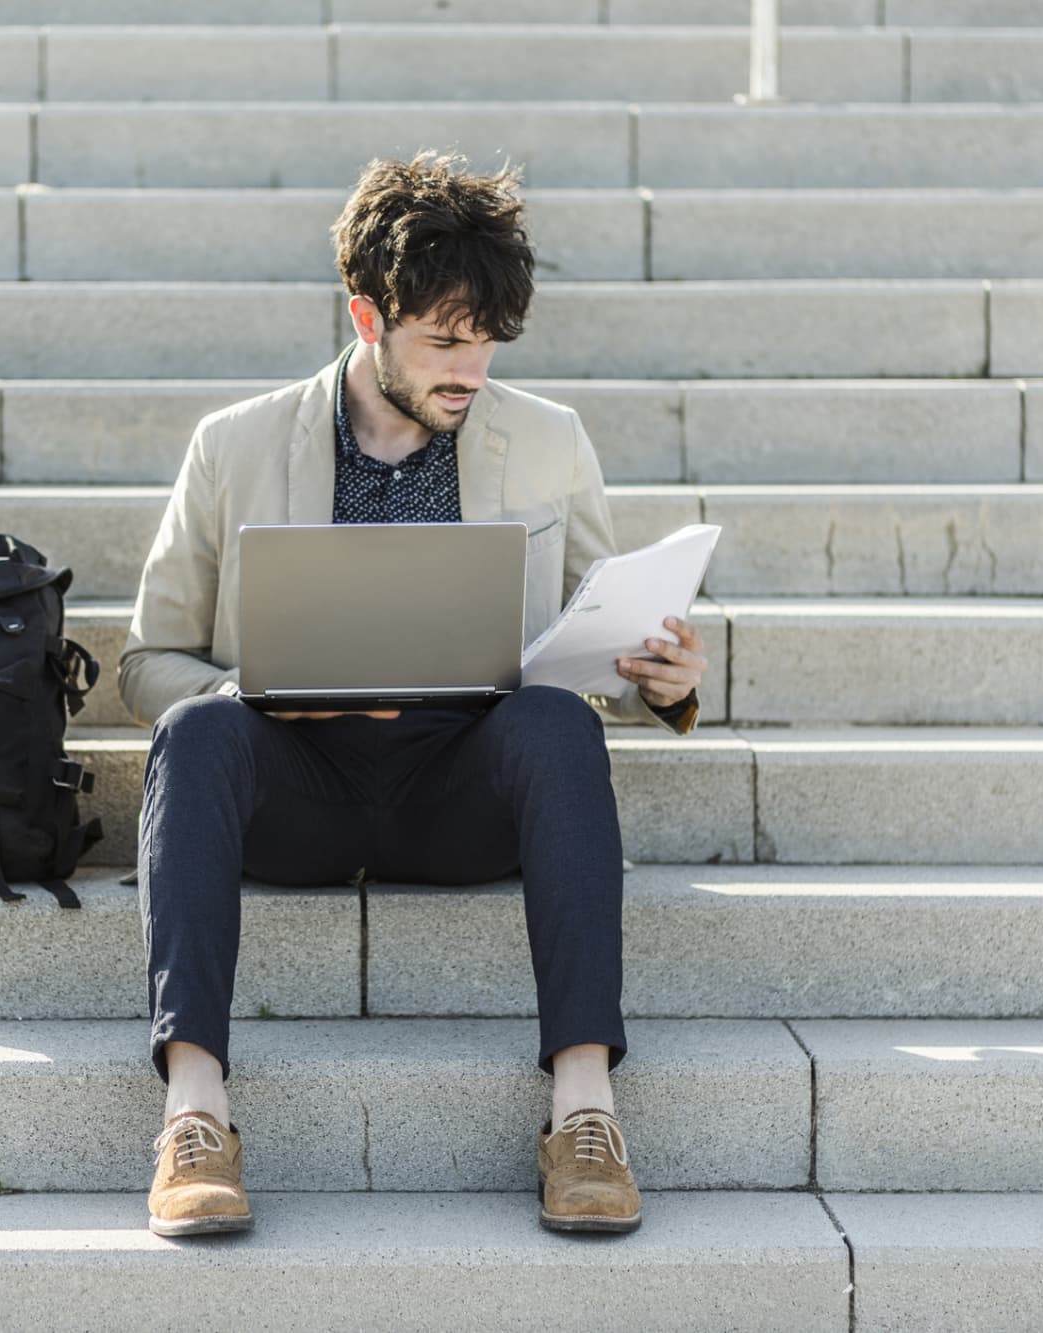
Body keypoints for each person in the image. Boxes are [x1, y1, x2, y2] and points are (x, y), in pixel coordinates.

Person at [119, 150, 707, 1238]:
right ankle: (194, 1114)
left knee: (554, 719)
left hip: (459, 785)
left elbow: (599, 637)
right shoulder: (233, 445)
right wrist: (253, 692)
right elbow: (146, 662)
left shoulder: (547, 439)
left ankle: (584, 1114)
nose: (468, 368)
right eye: (442, 339)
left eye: (484, 339)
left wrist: (657, 679)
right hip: (293, 779)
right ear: (364, 317)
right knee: (195, 731)